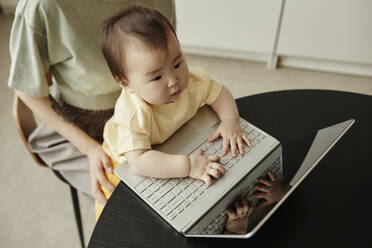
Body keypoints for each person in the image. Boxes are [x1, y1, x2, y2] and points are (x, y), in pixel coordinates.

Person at [7, 0, 176, 206]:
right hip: (87, 127)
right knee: (142, 206)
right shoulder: (44, 6)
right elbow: (27, 91)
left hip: (153, 106)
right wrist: (90, 149)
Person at [96, 6, 252, 218]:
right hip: (125, 162)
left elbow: (219, 92)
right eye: (157, 77)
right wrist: (187, 166)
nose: (173, 81)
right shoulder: (132, 115)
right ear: (126, 83)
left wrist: (230, 120)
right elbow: (140, 162)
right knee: (119, 214)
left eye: (177, 63)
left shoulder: (192, 83)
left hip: (173, 143)